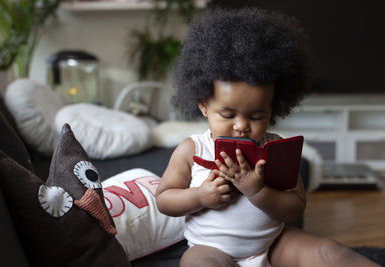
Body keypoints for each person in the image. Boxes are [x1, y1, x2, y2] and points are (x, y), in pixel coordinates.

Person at [155, 7, 379, 267]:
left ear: (273, 109)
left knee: (329, 253)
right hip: (212, 249)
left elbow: (295, 207)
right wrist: (200, 197)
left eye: (256, 116)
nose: (241, 126)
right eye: (227, 115)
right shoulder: (192, 149)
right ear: (204, 105)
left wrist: (257, 191)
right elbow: (164, 199)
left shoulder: (274, 149)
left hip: (273, 246)